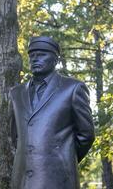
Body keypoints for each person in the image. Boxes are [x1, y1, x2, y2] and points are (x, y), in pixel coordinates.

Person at [9, 36, 95, 189]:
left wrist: (63, 157)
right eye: (32, 55)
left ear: (55, 59)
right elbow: (14, 136)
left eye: (42, 55)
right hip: (22, 181)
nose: (35, 59)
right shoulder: (16, 93)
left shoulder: (73, 89)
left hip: (58, 179)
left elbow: (86, 135)